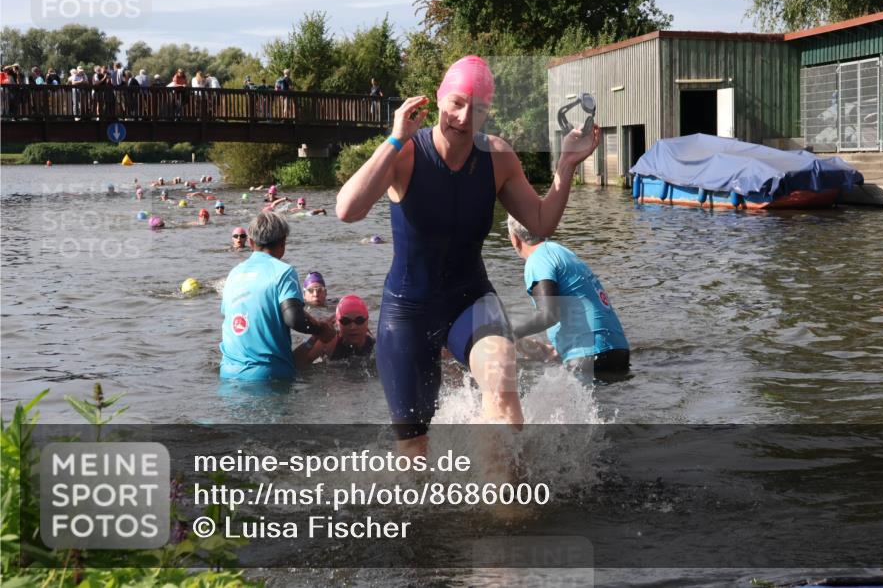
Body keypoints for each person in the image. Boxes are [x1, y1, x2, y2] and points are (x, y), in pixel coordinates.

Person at [336, 54, 599, 455]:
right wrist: (394, 139)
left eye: (476, 109)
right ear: (438, 99)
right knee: (414, 449)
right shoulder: (405, 154)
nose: (463, 117)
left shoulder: (497, 158)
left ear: (487, 112)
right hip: (408, 310)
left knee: (502, 380)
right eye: (456, 103)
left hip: (470, 299)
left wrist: (565, 164)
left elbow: (541, 223)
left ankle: (508, 501)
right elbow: (347, 210)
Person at [506, 214, 630, 375]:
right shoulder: (561, 251)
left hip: (589, 356)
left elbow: (549, 315)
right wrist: (557, 350)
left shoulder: (537, 260)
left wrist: (508, 332)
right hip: (619, 352)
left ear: (514, 239)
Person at [219, 212, 335, 381]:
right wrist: (321, 329)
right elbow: (294, 318)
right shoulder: (283, 271)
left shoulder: (234, 273)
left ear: (250, 243)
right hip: (268, 376)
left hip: (228, 373)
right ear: (283, 243)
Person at [293, 295, 375, 366]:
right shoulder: (329, 342)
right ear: (337, 323)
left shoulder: (376, 345)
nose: (352, 327)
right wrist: (315, 336)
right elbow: (295, 364)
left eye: (359, 320)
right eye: (345, 321)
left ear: (367, 322)